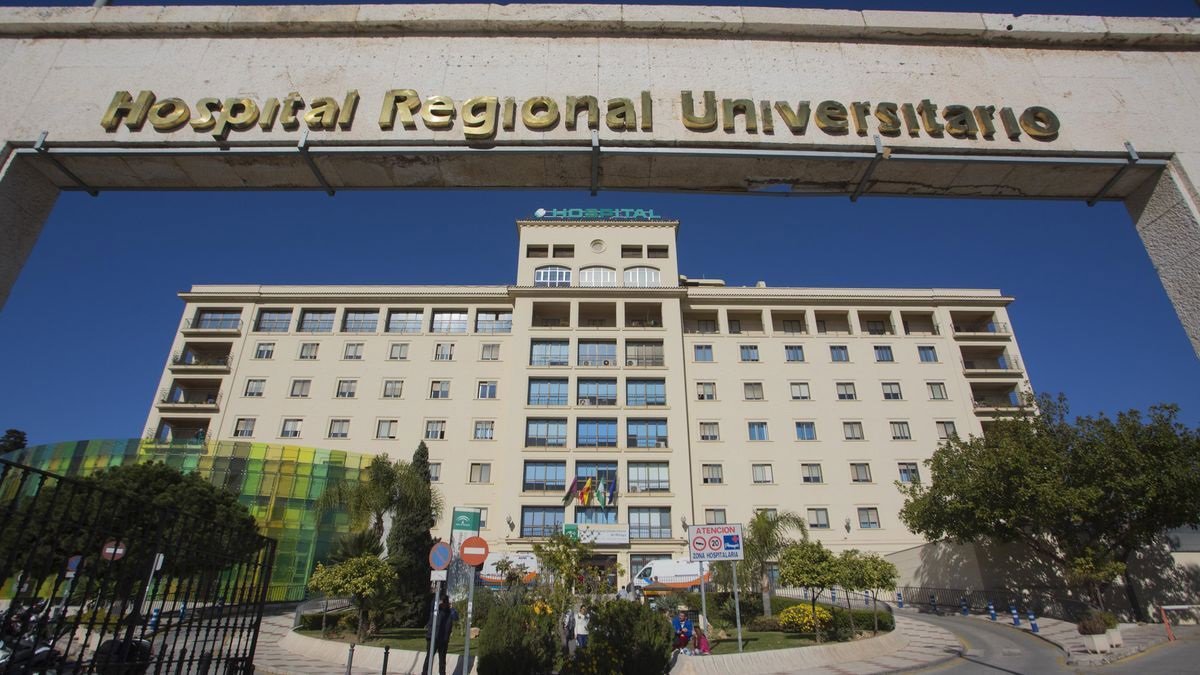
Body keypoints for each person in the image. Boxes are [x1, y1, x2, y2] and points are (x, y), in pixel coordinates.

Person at [422, 596, 457, 675]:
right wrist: (438, 598)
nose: (443, 604)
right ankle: (424, 673)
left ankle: (442, 673)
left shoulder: (449, 612)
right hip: (432, 637)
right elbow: (433, 603)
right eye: (442, 602)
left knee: (442, 660)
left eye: (445, 602)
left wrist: (452, 608)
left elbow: (455, 617)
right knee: (429, 657)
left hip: (444, 639)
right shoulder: (436, 610)